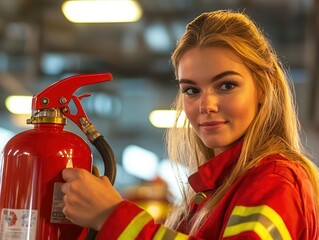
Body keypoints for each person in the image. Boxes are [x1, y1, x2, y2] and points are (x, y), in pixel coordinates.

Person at [61, 10, 319, 239]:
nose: (206, 105)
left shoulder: (275, 180)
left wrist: (111, 217)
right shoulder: (212, 192)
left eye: (226, 85)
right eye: (192, 90)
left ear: (264, 88)